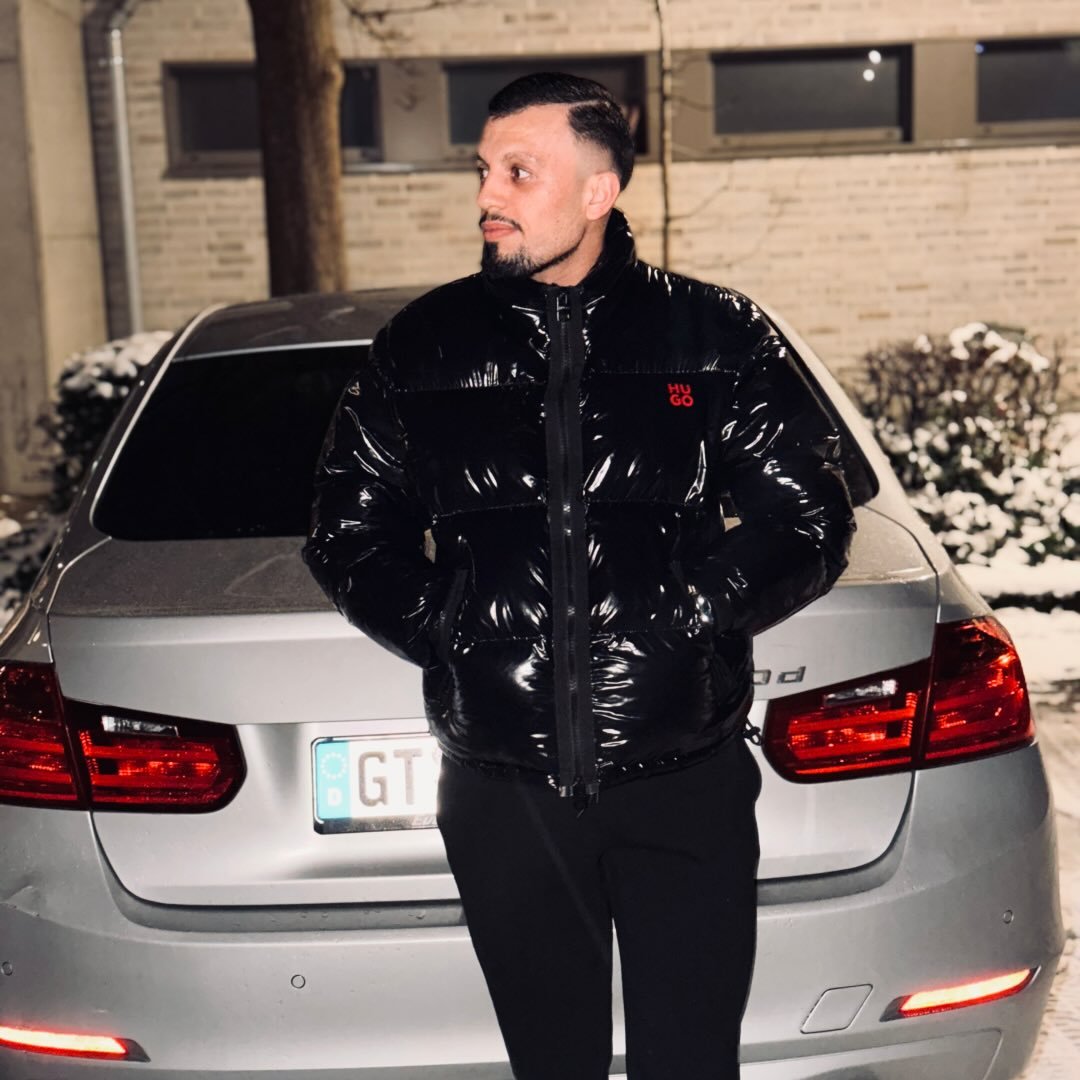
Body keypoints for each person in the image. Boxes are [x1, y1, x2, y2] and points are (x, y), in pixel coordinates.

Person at [302, 72, 856, 1080]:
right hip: (503, 795)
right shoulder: (423, 348)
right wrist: (449, 628)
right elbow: (348, 530)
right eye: (484, 169)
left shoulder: (714, 335)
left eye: (519, 172)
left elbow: (807, 517)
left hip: (682, 780)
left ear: (600, 191)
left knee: (690, 1065)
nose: (488, 195)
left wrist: (692, 610)